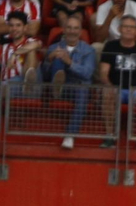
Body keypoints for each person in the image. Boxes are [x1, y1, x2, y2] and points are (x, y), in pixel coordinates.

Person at [0, 11, 41, 146]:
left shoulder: (31, 41)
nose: (14, 29)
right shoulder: (4, 48)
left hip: (30, 85)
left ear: (25, 28)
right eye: (11, 26)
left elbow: (37, 44)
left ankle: (27, 82)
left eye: (18, 25)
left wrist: (16, 54)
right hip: (10, 86)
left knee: (31, 51)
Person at [40, 13, 98, 150]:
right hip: (56, 86)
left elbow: (87, 74)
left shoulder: (88, 50)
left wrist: (70, 62)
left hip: (76, 88)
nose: (72, 31)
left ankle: (70, 135)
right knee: (57, 57)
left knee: (83, 90)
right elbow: (44, 75)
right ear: (64, 30)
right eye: (69, 28)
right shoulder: (53, 47)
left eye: (75, 28)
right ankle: (57, 86)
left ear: (80, 30)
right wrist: (49, 60)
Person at [98, 15, 136, 149]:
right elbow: (103, 72)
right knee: (107, 92)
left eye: (132, 27)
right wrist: (109, 86)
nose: (129, 30)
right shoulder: (111, 46)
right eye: (126, 27)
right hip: (116, 89)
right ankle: (109, 135)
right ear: (119, 29)